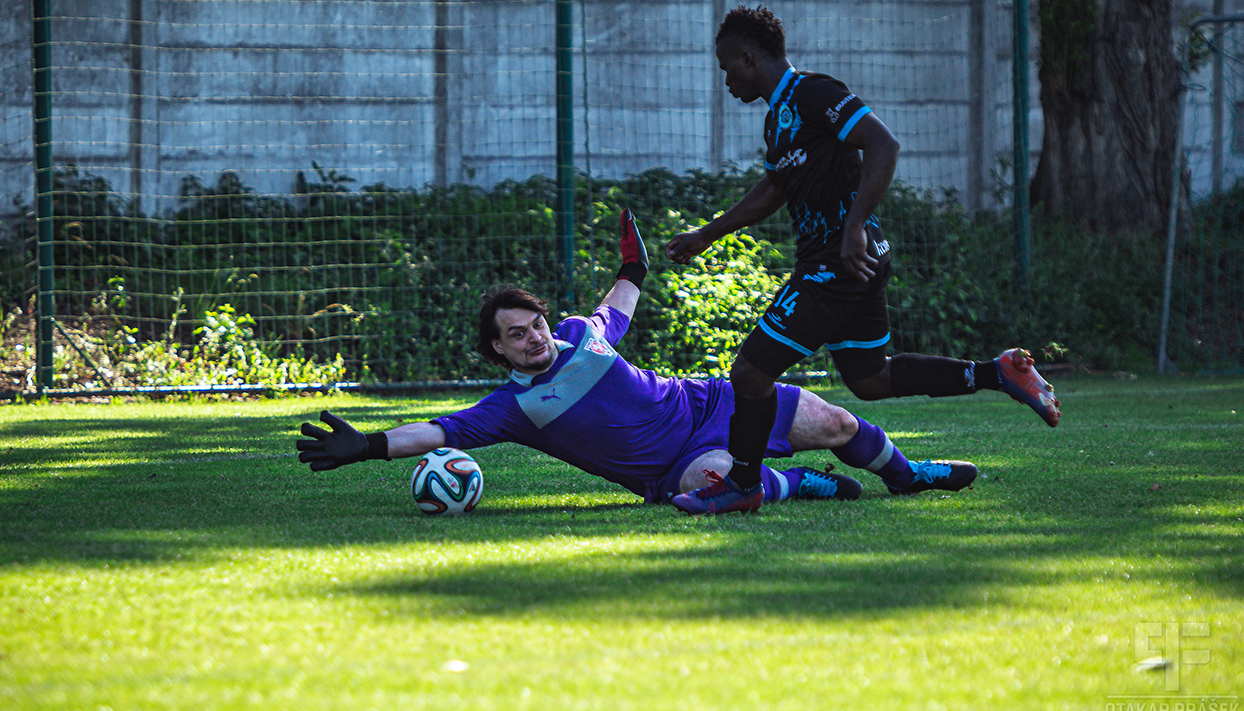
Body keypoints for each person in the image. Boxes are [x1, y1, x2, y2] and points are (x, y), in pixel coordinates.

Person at [297, 210, 979, 510]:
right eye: (516, 334)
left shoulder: (577, 333)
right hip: (672, 466)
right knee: (710, 489)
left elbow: (618, 301)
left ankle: (909, 474)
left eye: (532, 321)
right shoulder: (515, 407)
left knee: (837, 420)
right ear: (497, 351)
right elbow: (438, 432)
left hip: (710, 401)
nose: (533, 335)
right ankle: (801, 484)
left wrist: (634, 261)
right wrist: (367, 446)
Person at [664, 4, 1059, 516]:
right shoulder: (777, 121)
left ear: (748, 56)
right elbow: (775, 189)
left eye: (726, 68)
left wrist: (852, 227)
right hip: (851, 263)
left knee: (749, 374)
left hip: (836, 263)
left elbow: (883, 143)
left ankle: (742, 484)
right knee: (871, 379)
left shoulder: (813, 92)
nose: (725, 80)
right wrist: (707, 234)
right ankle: (997, 373)